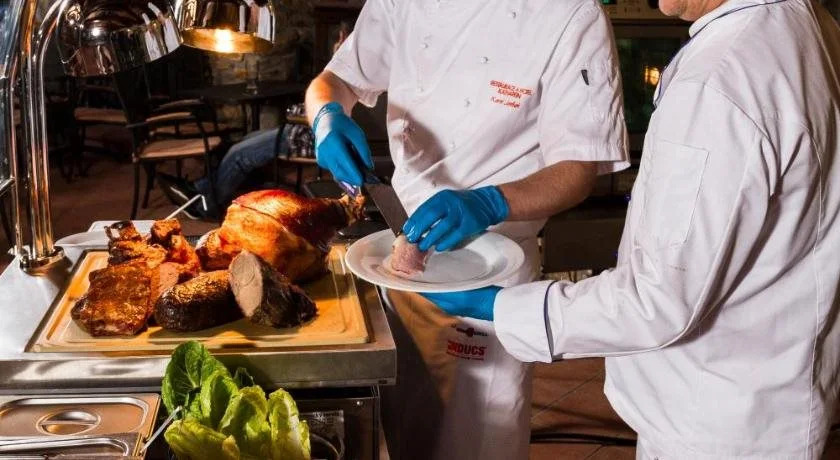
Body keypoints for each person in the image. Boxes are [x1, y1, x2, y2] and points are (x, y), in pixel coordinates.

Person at [422, 0, 840, 458]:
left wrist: (501, 307)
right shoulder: (807, 25)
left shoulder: (719, 83)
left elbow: (657, 300)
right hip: (773, 398)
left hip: (713, 423)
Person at [305, 0, 629, 458]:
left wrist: (491, 201)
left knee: (476, 442)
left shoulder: (571, 14)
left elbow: (578, 169)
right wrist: (326, 116)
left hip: (491, 273)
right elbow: (334, 82)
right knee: (396, 433)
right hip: (399, 261)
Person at [159, 108, 314, 218]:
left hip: (305, 135)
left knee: (239, 154)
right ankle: (199, 188)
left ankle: (205, 207)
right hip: (296, 127)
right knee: (243, 141)